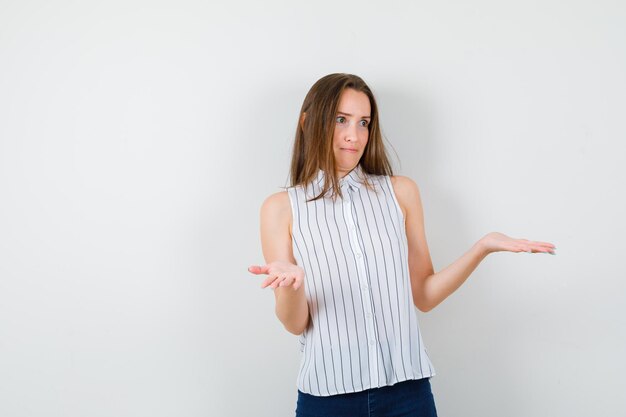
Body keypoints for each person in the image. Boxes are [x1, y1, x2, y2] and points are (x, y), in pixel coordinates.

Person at [248, 73, 556, 417]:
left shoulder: (401, 193)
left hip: (408, 396)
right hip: (326, 400)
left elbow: (423, 295)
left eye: (364, 122)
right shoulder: (280, 208)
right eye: (340, 120)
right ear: (308, 122)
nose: (354, 135)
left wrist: (481, 248)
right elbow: (294, 323)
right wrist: (292, 286)